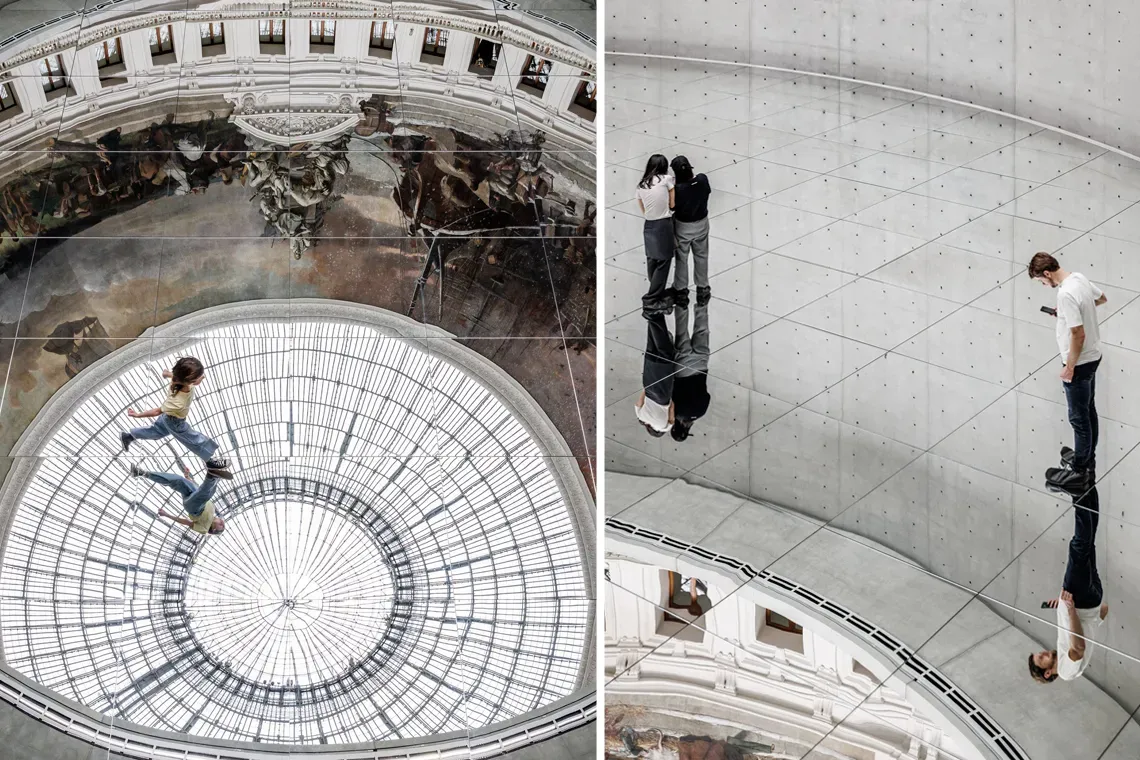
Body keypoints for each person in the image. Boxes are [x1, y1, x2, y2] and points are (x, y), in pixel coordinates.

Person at [1028, 253, 1107, 490]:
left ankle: (1080, 472)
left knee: (1078, 418)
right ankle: (1086, 456)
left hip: (1080, 363)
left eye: (1042, 282)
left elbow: (1078, 334)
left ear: (1047, 274)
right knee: (1088, 409)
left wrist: (1069, 367)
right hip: (1094, 356)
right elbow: (1101, 298)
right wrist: (1065, 313)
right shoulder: (1079, 279)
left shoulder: (1065, 293)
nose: (1044, 285)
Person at [1028, 487, 1108, 683]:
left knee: (1087, 544)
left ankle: (1087, 486)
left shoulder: (1062, 650)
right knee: (1079, 547)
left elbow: (1103, 610)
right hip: (1078, 599)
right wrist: (1070, 609)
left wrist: (1057, 606)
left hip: (1089, 599)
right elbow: (1078, 648)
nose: (1044, 652)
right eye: (1041, 658)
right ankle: (1078, 490)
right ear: (1047, 673)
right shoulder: (1065, 671)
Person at [120, 357, 233, 479]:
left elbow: (178, 376)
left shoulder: (179, 379)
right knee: (195, 440)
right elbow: (157, 411)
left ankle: (128, 436)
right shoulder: (177, 402)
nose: (201, 378)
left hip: (169, 417)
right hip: (175, 422)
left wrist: (166, 374)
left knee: (157, 432)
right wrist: (138, 414)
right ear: (190, 380)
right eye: (199, 377)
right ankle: (211, 463)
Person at [131, 463, 226, 536]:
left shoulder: (204, 529)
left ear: (214, 530)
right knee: (178, 480)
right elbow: (197, 489)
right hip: (195, 496)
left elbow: (186, 522)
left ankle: (213, 476)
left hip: (195, 508)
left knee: (207, 494)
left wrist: (167, 515)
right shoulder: (212, 509)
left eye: (221, 526)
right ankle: (142, 473)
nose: (222, 523)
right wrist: (187, 477)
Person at [670, 155, 712, 307]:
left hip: (683, 226)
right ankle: (703, 288)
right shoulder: (702, 180)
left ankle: (681, 290)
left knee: (682, 257)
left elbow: (672, 206)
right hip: (701, 223)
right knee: (701, 255)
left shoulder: (678, 189)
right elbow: (707, 191)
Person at [635, 154, 675, 314]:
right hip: (663, 226)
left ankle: (656, 292)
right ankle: (651, 300)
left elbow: (642, 207)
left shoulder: (641, 185)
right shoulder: (666, 179)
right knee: (663, 262)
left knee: (652, 260)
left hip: (649, 225)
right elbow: (672, 203)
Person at [670, 296, 710, 443]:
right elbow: (671, 392)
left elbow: (707, 395)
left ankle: (702, 303)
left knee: (702, 330)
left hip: (701, 365)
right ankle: (681, 301)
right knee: (681, 331)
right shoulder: (677, 413)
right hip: (682, 367)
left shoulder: (701, 412)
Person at [635, 311, 675, 437]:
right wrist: (646, 389)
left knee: (665, 355)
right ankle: (650, 315)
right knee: (651, 350)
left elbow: (672, 408)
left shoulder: (664, 428)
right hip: (648, 386)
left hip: (663, 396)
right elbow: (639, 402)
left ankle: (655, 313)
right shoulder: (641, 416)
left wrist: (670, 399)